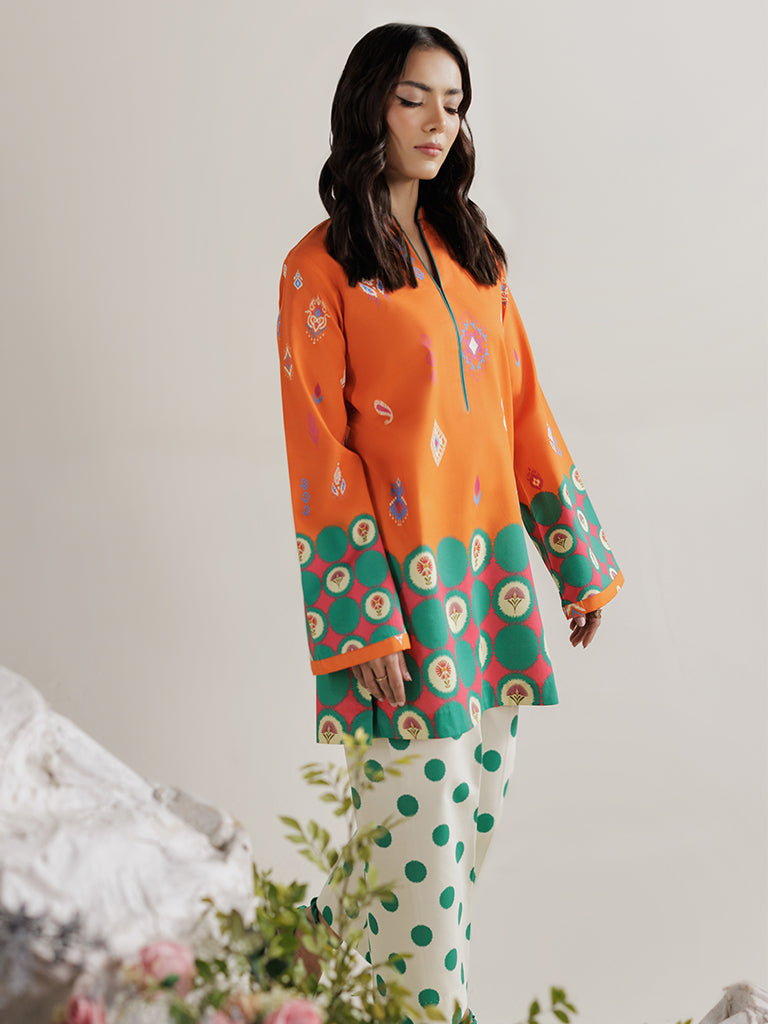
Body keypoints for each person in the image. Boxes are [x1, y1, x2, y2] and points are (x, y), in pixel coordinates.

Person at [276, 23, 624, 1024]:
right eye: (414, 98)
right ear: (370, 106)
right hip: (400, 599)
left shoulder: (473, 256)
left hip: (490, 586)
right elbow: (320, 456)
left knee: (447, 846)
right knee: (416, 859)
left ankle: (282, 986)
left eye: (455, 103)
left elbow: (523, 413)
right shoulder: (320, 270)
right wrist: (364, 623)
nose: (439, 122)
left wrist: (577, 562)